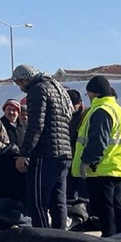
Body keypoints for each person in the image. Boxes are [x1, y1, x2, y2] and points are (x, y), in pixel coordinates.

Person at [11, 64, 74, 229]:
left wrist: (24, 153)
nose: (21, 87)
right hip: (64, 153)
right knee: (58, 202)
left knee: (38, 202)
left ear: (24, 79)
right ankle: (62, 240)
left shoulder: (37, 90)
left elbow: (36, 126)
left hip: (46, 153)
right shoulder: (57, 88)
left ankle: (44, 241)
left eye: (19, 83)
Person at [70, 76, 121, 237]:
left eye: (88, 93)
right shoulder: (118, 110)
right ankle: (120, 237)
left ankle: (110, 240)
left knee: (105, 209)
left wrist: (87, 161)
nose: (87, 97)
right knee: (116, 206)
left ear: (93, 93)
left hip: (101, 168)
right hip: (117, 167)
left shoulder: (101, 110)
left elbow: (98, 140)